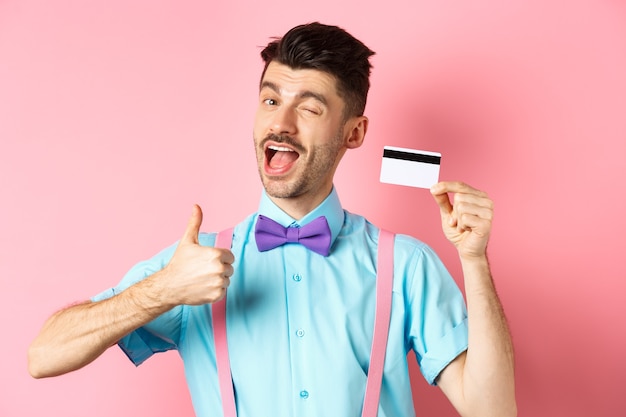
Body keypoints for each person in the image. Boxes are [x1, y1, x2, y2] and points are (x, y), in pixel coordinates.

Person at [28, 22, 516, 417]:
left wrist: (474, 260)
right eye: (270, 100)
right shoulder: (193, 265)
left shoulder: (405, 265)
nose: (280, 123)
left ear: (354, 133)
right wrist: (163, 291)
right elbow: (43, 357)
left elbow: (493, 411)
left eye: (308, 108)